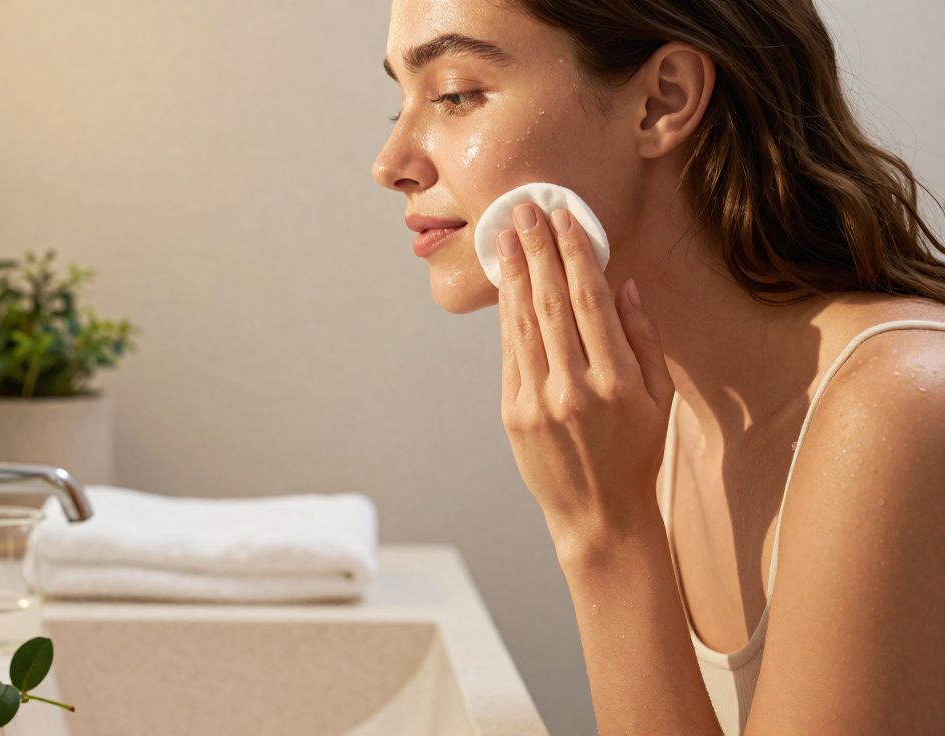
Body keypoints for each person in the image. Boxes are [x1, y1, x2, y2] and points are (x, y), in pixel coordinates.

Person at [371, 1, 945, 733]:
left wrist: (604, 534)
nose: (392, 164)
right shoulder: (662, 413)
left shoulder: (899, 406)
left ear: (663, 100)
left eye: (456, 93)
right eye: (402, 101)